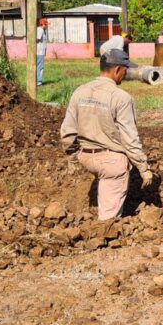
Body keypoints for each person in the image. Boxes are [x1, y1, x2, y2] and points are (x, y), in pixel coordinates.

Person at [60, 49, 154, 220]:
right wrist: (143, 168)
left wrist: (73, 156)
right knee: (108, 221)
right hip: (110, 162)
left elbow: (67, 131)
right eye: (125, 69)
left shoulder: (80, 91)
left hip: (86, 157)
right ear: (117, 69)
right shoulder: (121, 98)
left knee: (104, 174)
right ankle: (104, 235)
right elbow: (130, 139)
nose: (126, 74)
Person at [36, 18, 48, 86]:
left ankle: (38, 81)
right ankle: (38, 82)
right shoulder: (40, 30)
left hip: (40, 51)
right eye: (46, 25)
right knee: (40, 67)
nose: (46, 26)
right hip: (39, 52)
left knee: (39, 66)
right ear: (43, 24)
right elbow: (37, 39)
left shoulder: (41, 30)